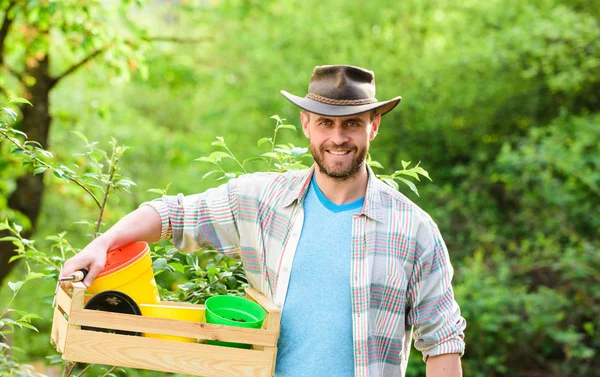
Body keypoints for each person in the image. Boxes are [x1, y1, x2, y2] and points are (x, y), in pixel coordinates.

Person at [61, 65, 466, 377]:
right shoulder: (261, 200)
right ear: (306, 124)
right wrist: (102, 243)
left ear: (373, 126)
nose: (338, 138)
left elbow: (442, 340)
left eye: (352, 123)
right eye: (326, 122)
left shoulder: (412, 229)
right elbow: (174, 215)